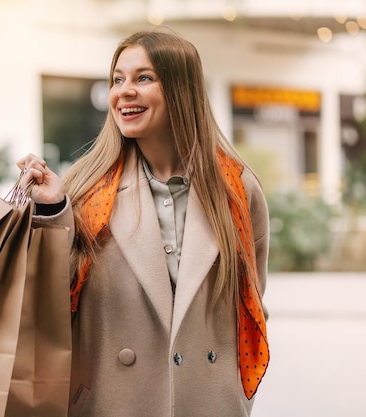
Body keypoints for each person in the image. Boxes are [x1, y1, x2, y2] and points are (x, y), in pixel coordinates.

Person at [17, 29, 270, 417]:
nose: (124, 91)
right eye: (118, 80)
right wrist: (52, 210)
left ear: (181, 90)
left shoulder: (236, 189)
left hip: (209, 403)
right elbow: (48, 299)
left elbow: (251, 300)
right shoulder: (86, 187)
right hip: (111, 402)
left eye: (143, 78)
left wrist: (234, 394)